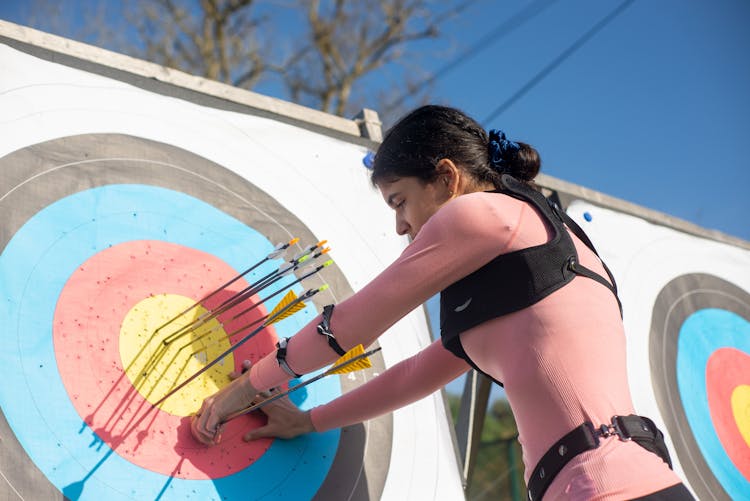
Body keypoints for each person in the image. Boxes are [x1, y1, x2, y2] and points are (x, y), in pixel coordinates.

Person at [191, 105, 693, 500]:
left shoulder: (480, 215)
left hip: (598, 487)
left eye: (400, 201)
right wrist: (308, 421)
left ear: (448, 177)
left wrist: (241, 393)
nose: (400, 226)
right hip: (637, 480)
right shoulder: (537, 252)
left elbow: (349, 325)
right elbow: (414, 375)